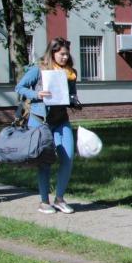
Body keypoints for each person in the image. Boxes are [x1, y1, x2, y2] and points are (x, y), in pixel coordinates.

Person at [15, 37, 82, 215]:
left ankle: (59, 199)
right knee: (44, 162)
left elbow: (72, 94)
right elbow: (20, 87)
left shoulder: (70, 73)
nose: (65, 58)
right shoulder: (39, 69)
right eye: (61, 54)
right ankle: (44, 202)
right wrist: (37, 94)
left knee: (67, 159)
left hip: (61, 120)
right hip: (40, 121)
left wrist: (75, 101)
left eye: (67, 54)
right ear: (52, 53)